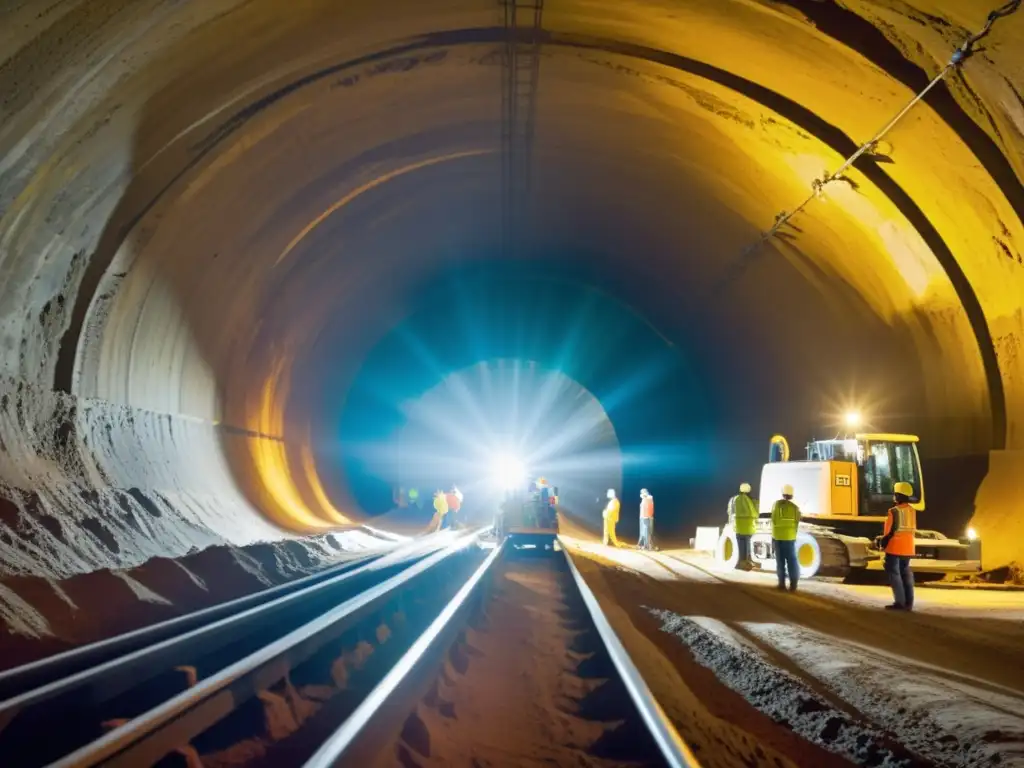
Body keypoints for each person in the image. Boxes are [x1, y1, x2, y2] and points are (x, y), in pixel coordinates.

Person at [878, 481, 917, 611]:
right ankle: (908, 603)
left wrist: (883, 542)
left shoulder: (893, 511)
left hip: (895, 547)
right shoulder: (912, 511)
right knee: (906, 574)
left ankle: (900, 602)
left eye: (895, 494)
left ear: (899, 496)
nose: (894, 497)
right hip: (908, 548)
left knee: (894, 574)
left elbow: (890, 531)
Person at [771, 484, 800, 591]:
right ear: (792, 495)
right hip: (790, 538)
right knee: (792, 561)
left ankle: (781, 584)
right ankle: (793, 585)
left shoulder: (777, 505)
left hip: (778, 537)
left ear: (782, 493)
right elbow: (797, 523)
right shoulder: (795, 508)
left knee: (780, 562)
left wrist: (773, 537)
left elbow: (773, 520)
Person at [728, 482, 758, 570]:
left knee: (740, 547)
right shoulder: (747, 499)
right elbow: (752, 512)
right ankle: (745, 564)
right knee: (747, 547)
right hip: (748, 527)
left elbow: (731, 512)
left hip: (739, 527)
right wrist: (756, 515)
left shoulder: (736, 499)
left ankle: (740, 563)